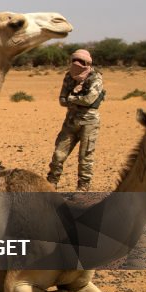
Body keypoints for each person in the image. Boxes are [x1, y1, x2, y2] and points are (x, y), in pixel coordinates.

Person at [46, 49, 105, 191]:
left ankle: (83, 188)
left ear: (87, 63)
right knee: (58, 154)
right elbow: (62, 100)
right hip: (71, 121)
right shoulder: (69, 77)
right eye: (74, 61)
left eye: (80, 62)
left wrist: (72, 99)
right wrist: (75, 100)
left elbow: (89, 99)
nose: (76, 64)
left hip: (89, 122)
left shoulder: (95, 78)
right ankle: (50, 184)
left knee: (85, 157)